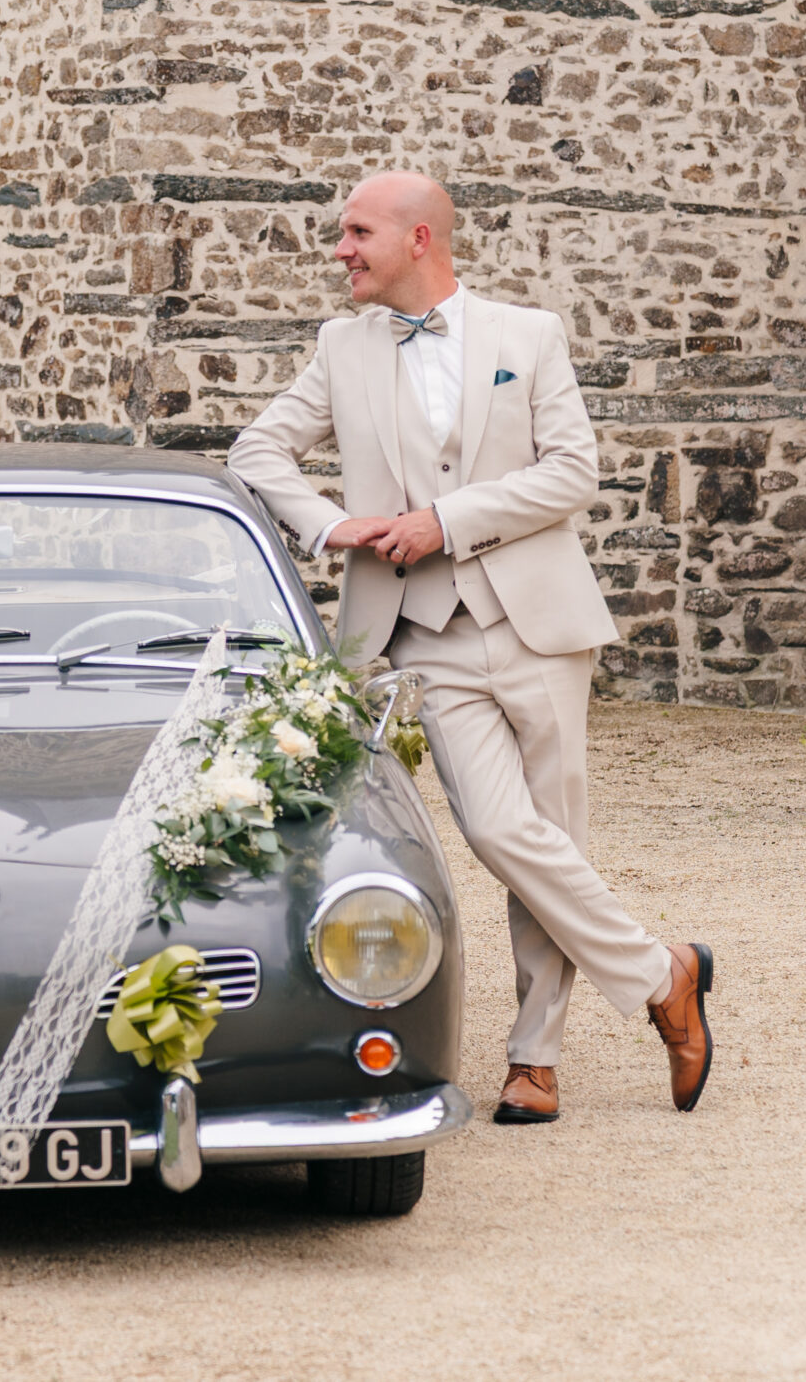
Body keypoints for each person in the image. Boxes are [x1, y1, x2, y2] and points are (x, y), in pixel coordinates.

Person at [227, 172, 715, 1122]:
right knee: (499, 832)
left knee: (554, 842)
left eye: (357, 232)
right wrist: (334, 526)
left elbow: (572, 472)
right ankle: (665, 975)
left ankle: (535, 1060)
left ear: (419, 238)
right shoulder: (340, 346)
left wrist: (446, 521)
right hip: (424, 635)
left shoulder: (528, 336)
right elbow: (256, 451)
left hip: (540, 624)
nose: (340, 249)